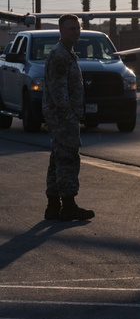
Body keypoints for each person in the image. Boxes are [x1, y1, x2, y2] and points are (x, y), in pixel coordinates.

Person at [43, 13, 95, 221]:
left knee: (57, 158)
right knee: (68, 159)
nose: (76, 32)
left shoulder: (66, 53)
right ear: (61, 31)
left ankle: (54, 206)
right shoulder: (60, 55)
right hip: (62, 117)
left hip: (62, 116)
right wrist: (70, 115)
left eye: (77, 28)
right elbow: (58, 91)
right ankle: (69, 205)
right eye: (71, 28)